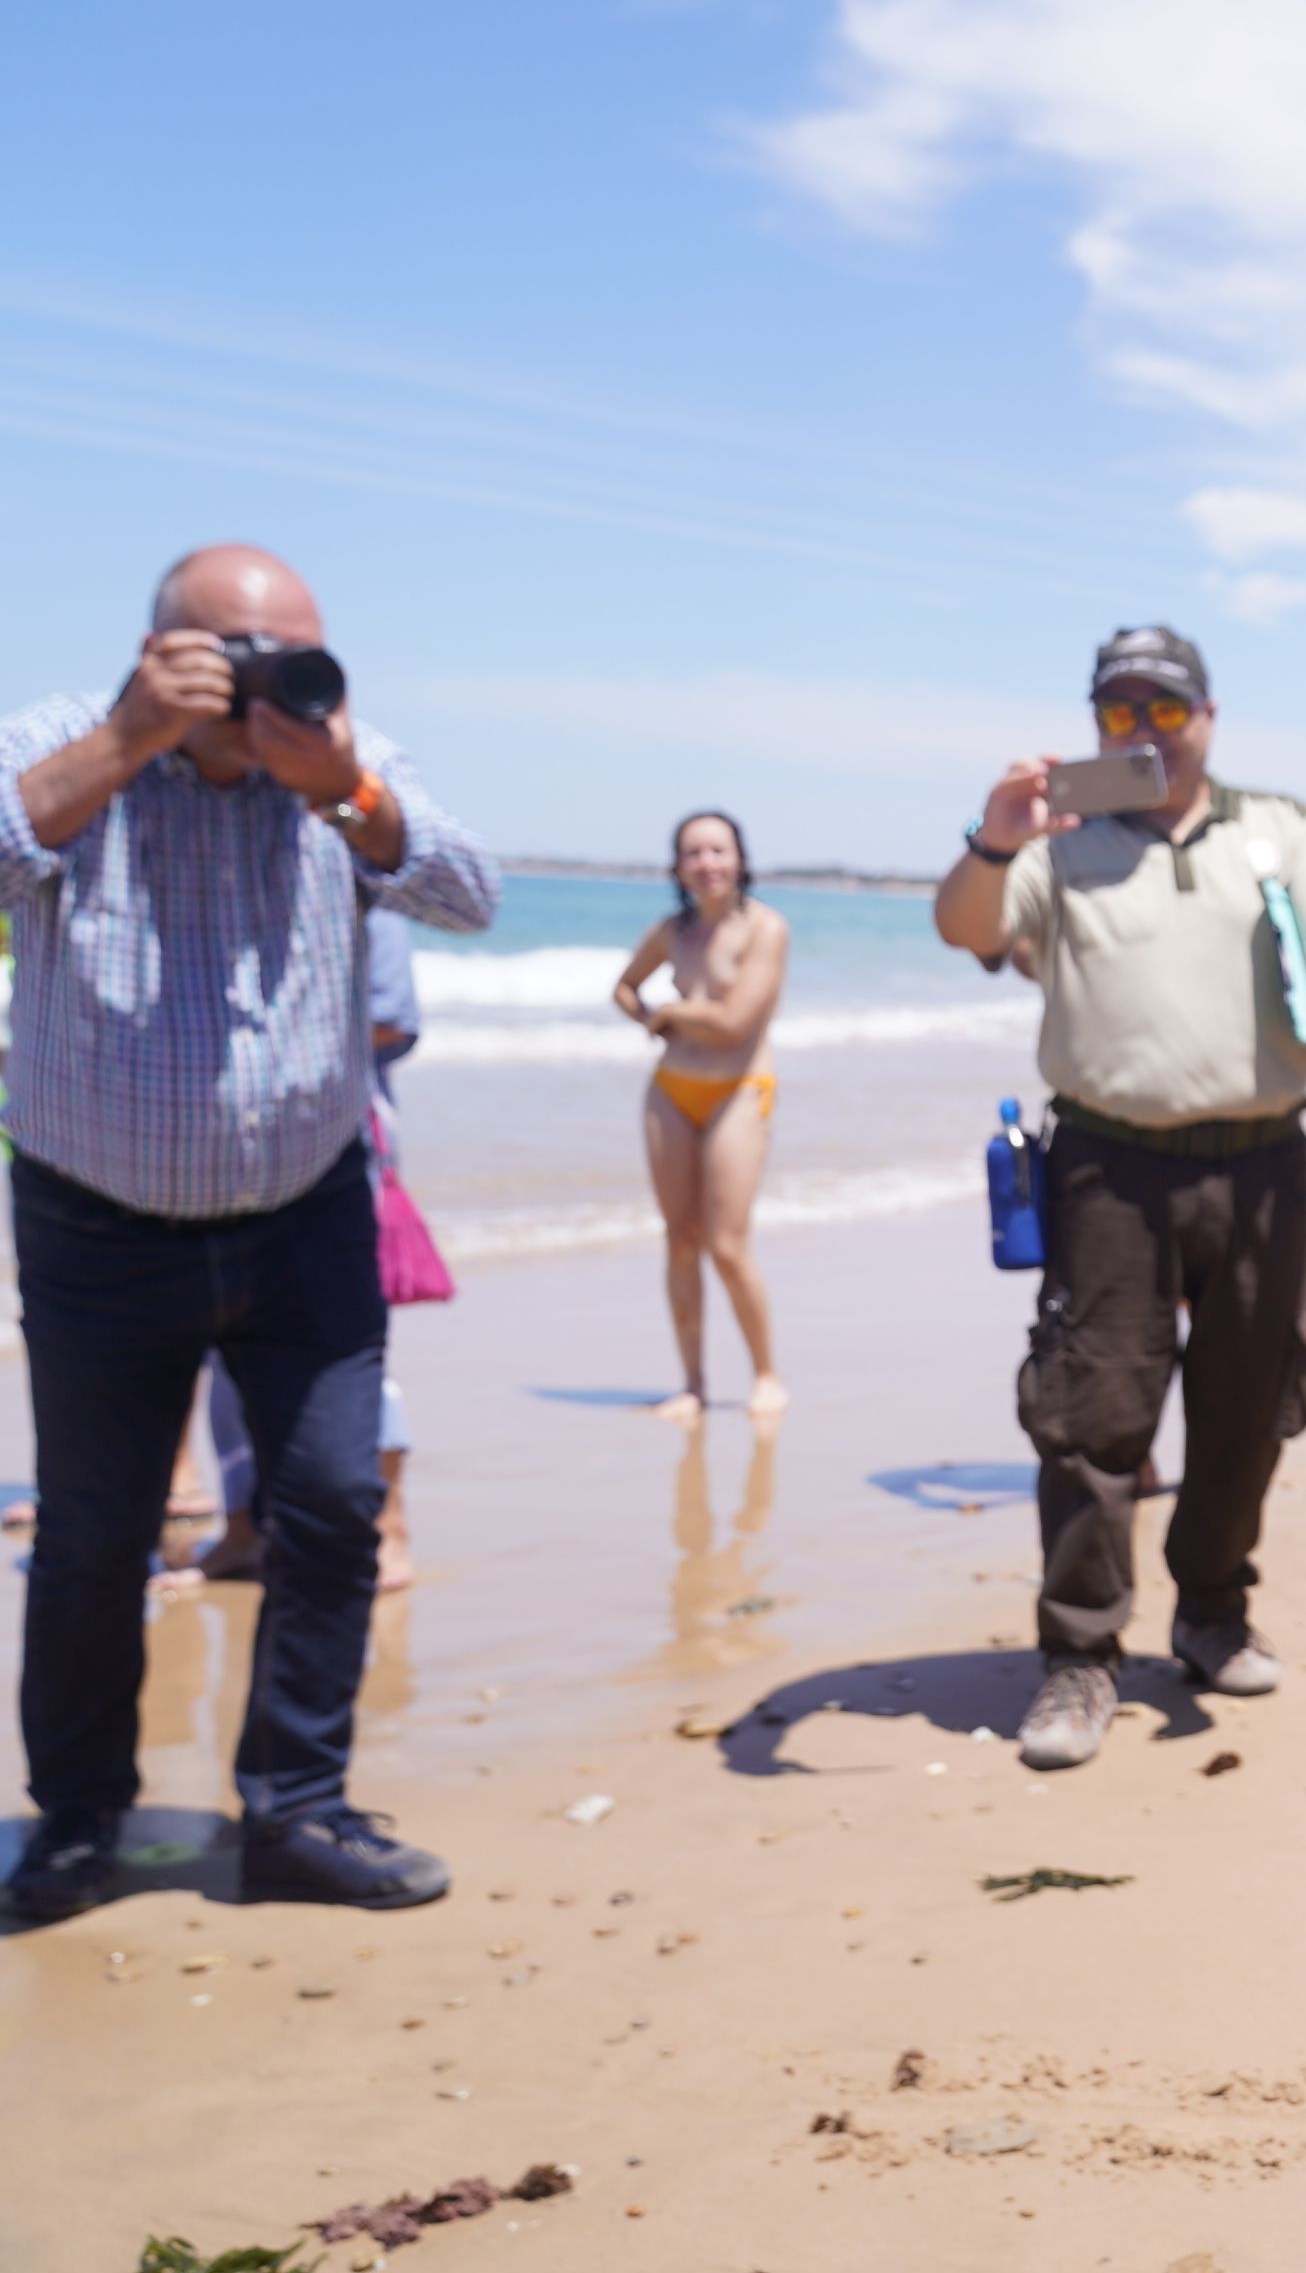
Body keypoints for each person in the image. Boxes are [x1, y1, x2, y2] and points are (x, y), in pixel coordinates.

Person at [2, 544, 499, 1921]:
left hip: (306, 1221)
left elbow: (472, 892)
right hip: (98, 1228)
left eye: (298, 654)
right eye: (238, 656)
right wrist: (125, 739)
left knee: (334, 1506)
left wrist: (348, 791)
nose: (273, 685)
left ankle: (297, 1812)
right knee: (98, 1535)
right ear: (165, 648)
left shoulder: (340, 764)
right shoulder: (68, 741)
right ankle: (83, 1822)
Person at [930, 625, 1306, 1771]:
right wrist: (994, 841)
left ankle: (1212, 1609)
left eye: (1163, 710)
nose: (1143, 732)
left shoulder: (1281, 826)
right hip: (1107, 1165)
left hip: (1261, 1160)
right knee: (1094, 1416)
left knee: (1249, 1404)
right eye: (1120, 713)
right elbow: (969, 927)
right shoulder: (1059, 839)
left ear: (1208, 714)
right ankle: (1080, 1651)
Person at [188, 906, 432, 1594]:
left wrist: (264, 1037)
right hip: (212, 1148)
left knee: (345, 1352)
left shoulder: (363, 891)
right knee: (220, 1354)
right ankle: (243, 1528)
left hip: (340, 1150)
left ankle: (389, 1526)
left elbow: (394, 1020)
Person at [614, 812, 791, 1425]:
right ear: (678, 866)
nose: (707, 863)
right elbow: (625, 988)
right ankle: (691, 1383)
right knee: (680, 1239)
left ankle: (766, 1374)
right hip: (671, 1089)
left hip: (740, 1088)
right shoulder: (673, 930)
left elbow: (736, 1021)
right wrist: (652, 1020)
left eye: (718, 850)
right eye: (693, 853)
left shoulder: (766, 930)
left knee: (727, 1244)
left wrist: (671, 1016)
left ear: (740, 858)